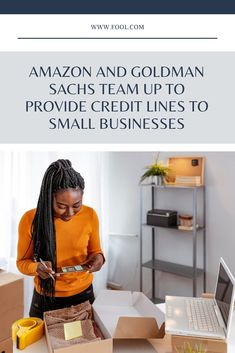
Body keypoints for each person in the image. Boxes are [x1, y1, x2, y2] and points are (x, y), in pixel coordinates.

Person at [17, 159, 105, 319]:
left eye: (77, 205)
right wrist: (36, 267)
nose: (70, 213)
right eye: (62, 206)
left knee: (87, 343)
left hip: (84, 296)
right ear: (48, 198)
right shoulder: (30, 220)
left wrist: (99, 259)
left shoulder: (90, 215)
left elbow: (96, 252)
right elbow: (22, 262)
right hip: (45, 300)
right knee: (41, 344)